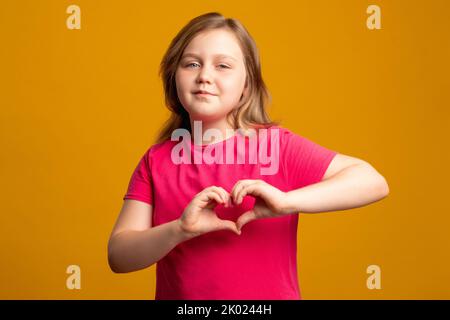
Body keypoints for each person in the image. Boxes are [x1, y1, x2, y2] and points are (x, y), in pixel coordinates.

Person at [107, 12, 389, 300]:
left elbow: (372, 182)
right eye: (191, 64)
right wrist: (180, 228)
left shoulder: (277, 146)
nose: (204, 76)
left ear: (246, 86)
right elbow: (119, 256)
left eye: (223, 66)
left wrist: (287, 201)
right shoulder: (157, 160)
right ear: (173, 77)